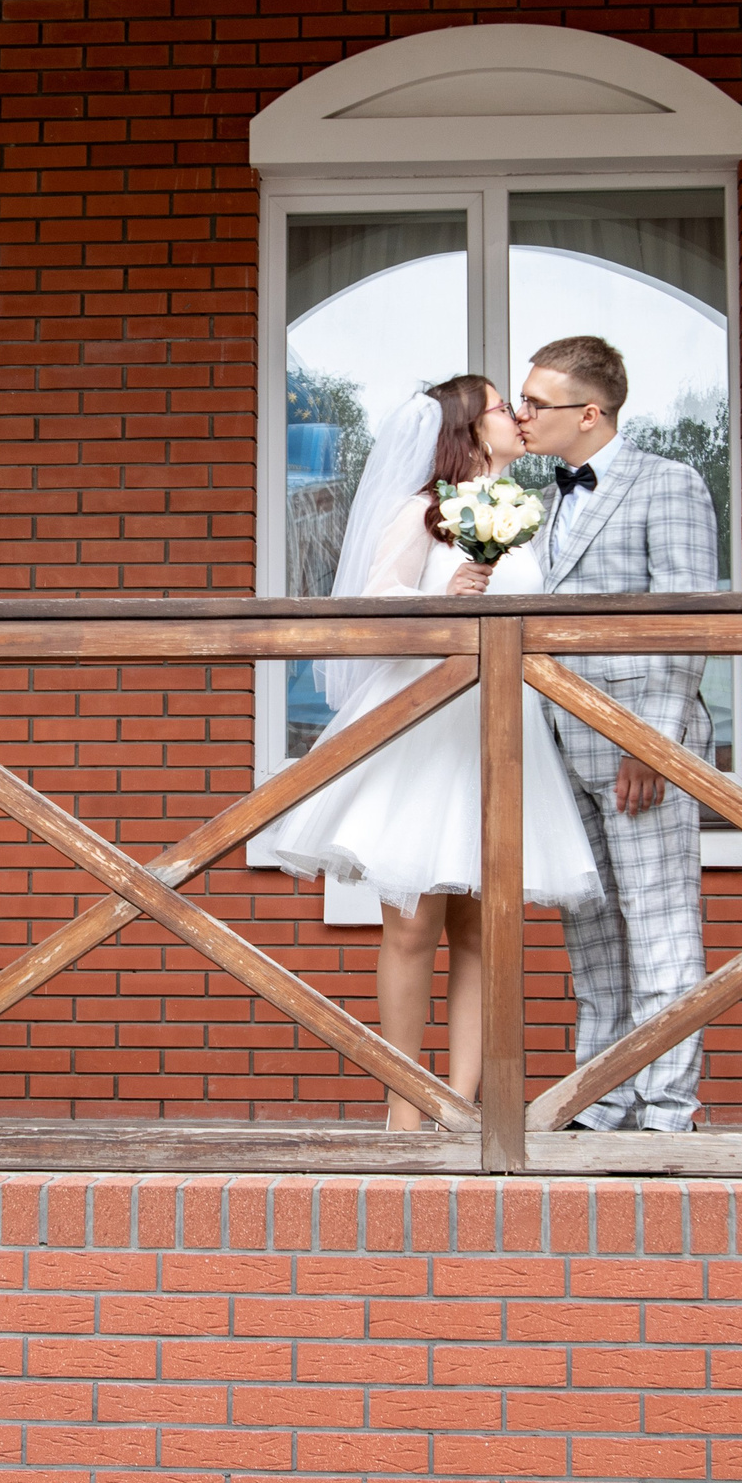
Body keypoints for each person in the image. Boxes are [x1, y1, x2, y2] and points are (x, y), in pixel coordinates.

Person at [252, 374, 604, 1130]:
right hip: (420, 732)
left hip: (499, 735)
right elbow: (374, 614)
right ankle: (404, 1105)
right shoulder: (422, 511)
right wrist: (451, 605)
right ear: (469, 430)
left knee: (482, 928)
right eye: (503, 407)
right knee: (411, 925)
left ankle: (460, 1104)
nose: (517, 415)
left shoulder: (531, 518)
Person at [515, 334, 724, 1132]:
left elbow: (685, 622)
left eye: (537, 402)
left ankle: (667, 1109)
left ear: (590, 413)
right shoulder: (543, 502)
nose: (523, 414)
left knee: (659, 922)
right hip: (556, 747)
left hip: (637, 748)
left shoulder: (669, 485)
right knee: (593, 935)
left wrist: (654, 745)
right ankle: (600, 1102)